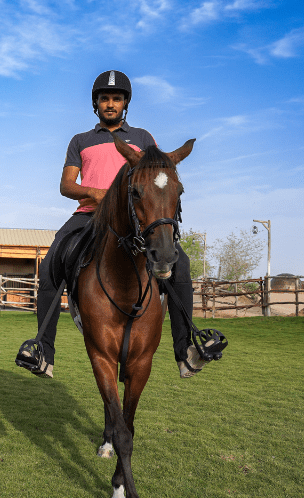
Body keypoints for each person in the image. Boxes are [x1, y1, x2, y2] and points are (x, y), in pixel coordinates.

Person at [15, 70, 220, 378]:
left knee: (181, 263)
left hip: (133, 219)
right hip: (88, 216)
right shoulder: (80, 141)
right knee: (50, 263)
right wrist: (95, 192)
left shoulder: (142, 138)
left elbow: (155, 176)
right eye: (104, 99)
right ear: (95, 104)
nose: (110, 104)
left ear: (125, 103)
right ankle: (43, 350)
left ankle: (186, 350)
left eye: (116, 98)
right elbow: (66, 186)